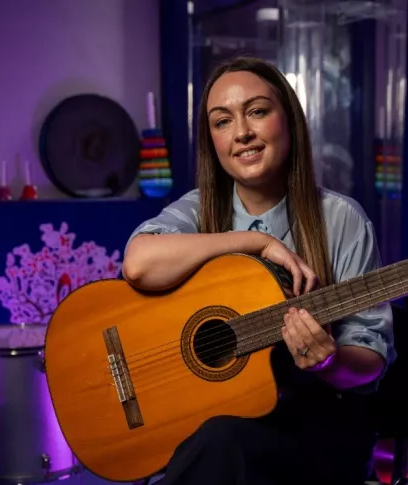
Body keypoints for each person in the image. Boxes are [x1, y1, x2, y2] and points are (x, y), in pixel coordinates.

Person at [123, 56, 396, 485]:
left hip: (317, 428)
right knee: (214, 440)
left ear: (288, 119)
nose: (242, 133)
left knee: (218, 443)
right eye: (222, 121)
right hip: (214, 423)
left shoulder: (341, 219)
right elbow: (138, 264)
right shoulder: (198, 210)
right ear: (211, 139)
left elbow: (371, 361)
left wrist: (328, 363)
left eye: (257, 111)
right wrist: (255, 242)